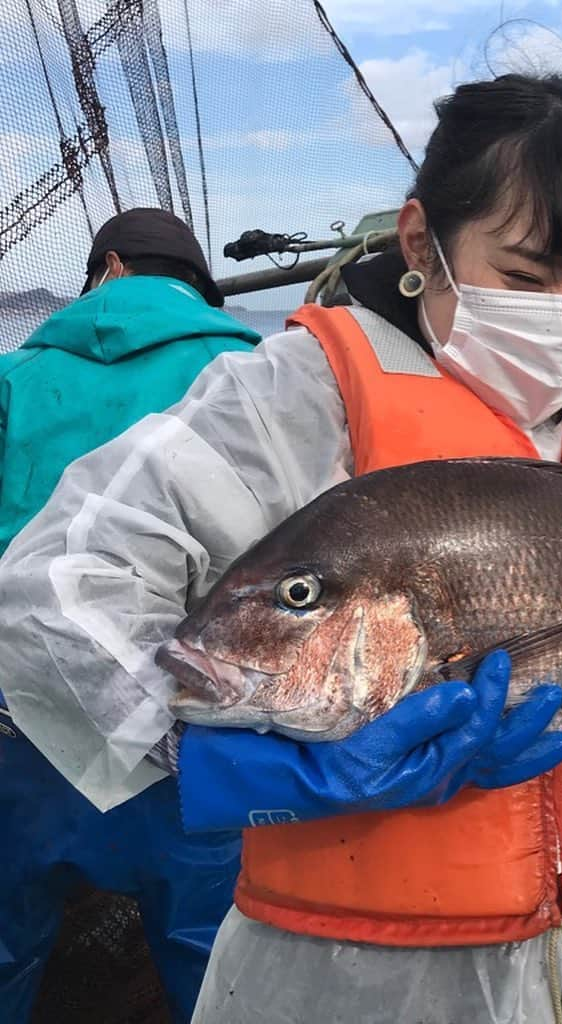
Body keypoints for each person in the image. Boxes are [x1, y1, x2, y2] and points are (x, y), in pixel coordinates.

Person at [0, 76, 562, 1024]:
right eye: (526, 275)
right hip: (361, 975)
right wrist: (215, 760)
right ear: (424, 241)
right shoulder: (291, 402)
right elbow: (56, 589)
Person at [0, 208, 261, 1024]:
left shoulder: (13, 375)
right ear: (197, 287)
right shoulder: (256, 371)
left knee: (6, 945)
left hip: (21, 731)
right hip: (193, 741)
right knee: (212, 961)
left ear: (107, 270)